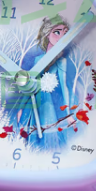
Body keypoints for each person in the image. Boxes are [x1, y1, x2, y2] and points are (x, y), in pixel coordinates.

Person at [16, 14, 77, 151]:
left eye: (65, 33)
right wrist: (20, 108)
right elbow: (29, 84)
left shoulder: (61, 61)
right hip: (32, 101)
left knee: (47, 138)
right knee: (28, 137)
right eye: (57, 32)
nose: (61, 37)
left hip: (47, 104)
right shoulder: (38, 59)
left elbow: (64, 88)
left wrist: (68, 114)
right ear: (47, 34)